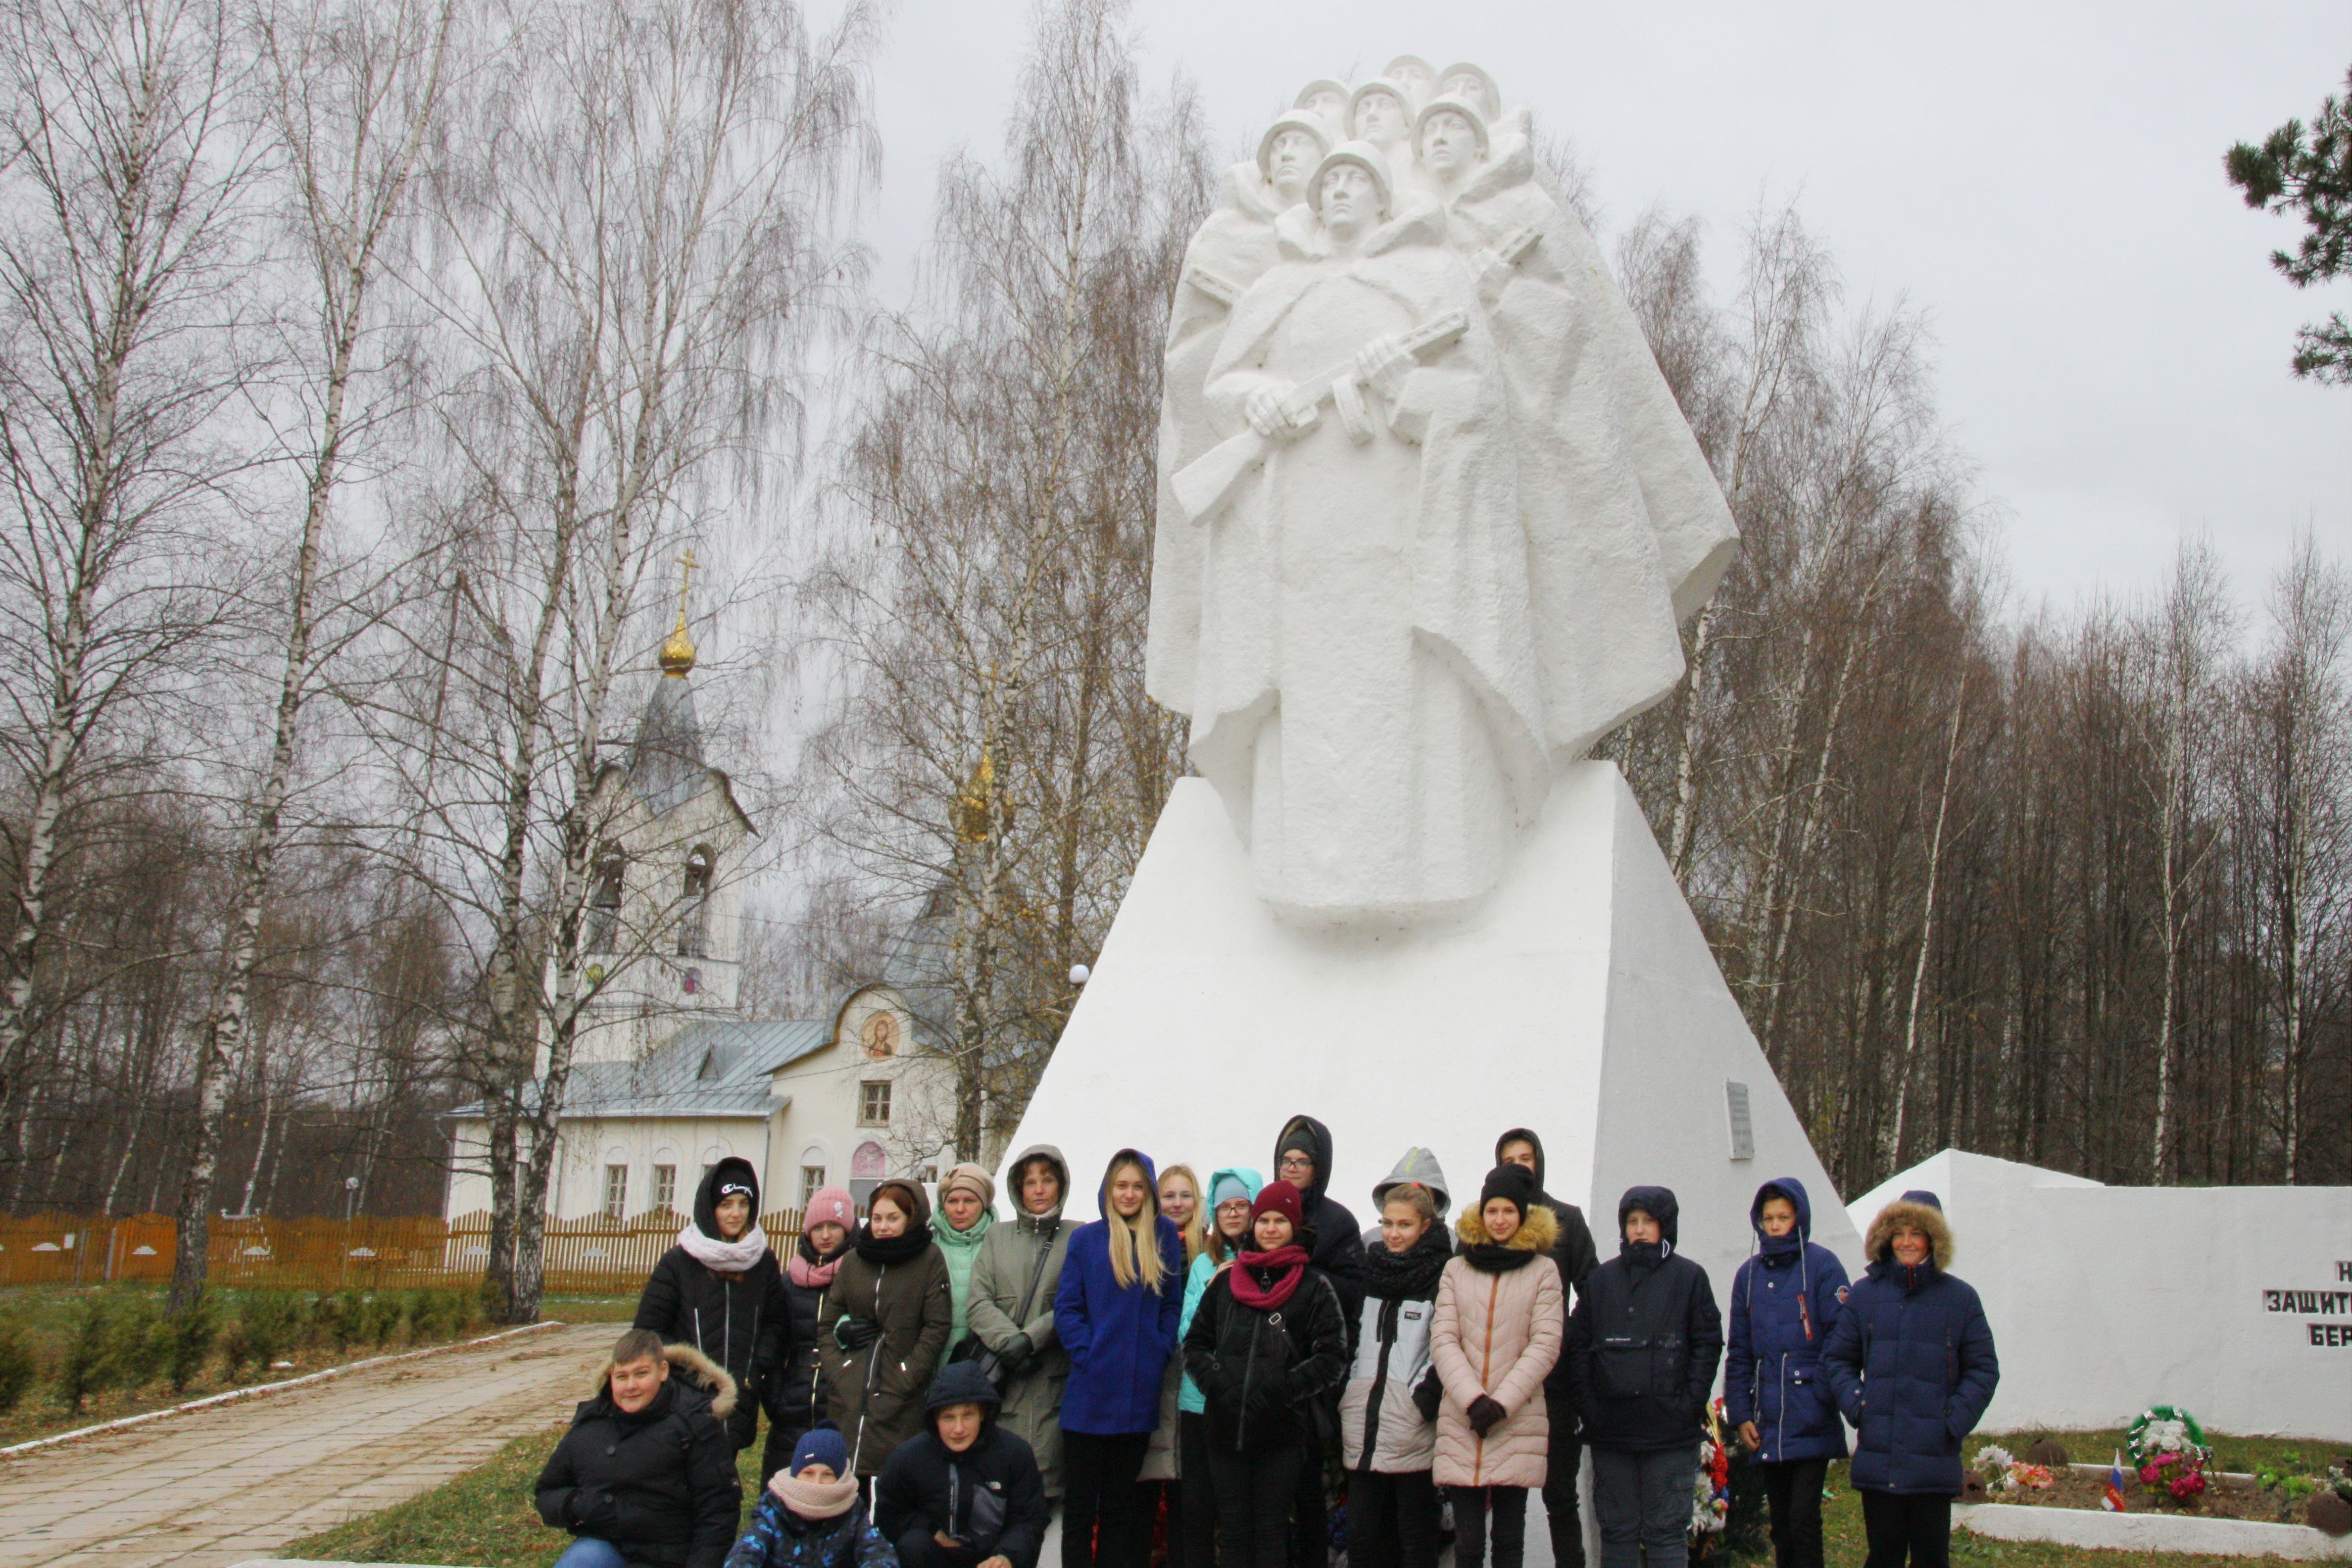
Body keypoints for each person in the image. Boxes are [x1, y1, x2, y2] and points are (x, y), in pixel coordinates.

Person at [1822, 1192, 1998, 1568]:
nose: (1906, 1242)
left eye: (1917, 1233)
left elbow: (1983, 1369)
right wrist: (1859, 1405)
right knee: (1883, 1557)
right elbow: (1838, 1358)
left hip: (1933, 1460)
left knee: (1931, 1559)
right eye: (1898, 1232)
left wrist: (1953, 1421)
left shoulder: (1961, 1299)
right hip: (1879, 1458)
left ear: (1933, 1239)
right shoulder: (1865, 1295)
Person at [1180, 1180, 1350, 1568]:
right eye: (1264, 1221)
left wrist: (1283, 1389)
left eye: (1280, 1221)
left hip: (1281, 1433)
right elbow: (1194, 1345)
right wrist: (1218, 1384)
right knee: (1235, 1534)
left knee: (1271, 1533)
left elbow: (1333, 1357)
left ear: (1295, 1227)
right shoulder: (1226, 1282)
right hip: (1225, 1430)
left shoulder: (1314, 1288)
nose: (1270, 1229)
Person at [1569, 1187, 1723, 1568]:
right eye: (1632, 1222)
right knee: (1618, 1533)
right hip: (1612, 1433)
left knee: (1666, 1533)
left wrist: (1688, 1404)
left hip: (1670, 1435)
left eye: (1648, 1222)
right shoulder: (1601, 1282)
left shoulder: (1690, 1278)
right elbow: (1578, 1347)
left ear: (1665, 1226)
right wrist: (1591, 1408)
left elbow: (1708, 1343)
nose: (1639, 1231)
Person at [1053, 1149, 1186, 1568]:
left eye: (1136, 1187)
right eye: (1121, 1186)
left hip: (1136, 1398)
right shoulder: (1087, 1239)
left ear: (1147, 1191)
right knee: (1080, 1511)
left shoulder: (1162, 1235)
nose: (1128, 1194)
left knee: (1120, 1509)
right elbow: (1067, 1307)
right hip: (1089, 1398)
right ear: (1109, 1190)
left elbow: (1171, 1304)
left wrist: (1157, 1350)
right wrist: (1087, 1352)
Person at [1431, 1165, 1564, 1568]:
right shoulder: (1457, 1268)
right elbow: (1444, 1339)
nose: (1500, 1220)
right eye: (1493, 1211)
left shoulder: (1544, 1271)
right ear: (1482, 1214)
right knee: (1469, 1544)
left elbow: (1545, 1343)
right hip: (1463, 1419)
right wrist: (1473, 1400)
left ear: (1522, 1215)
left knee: (1509, 1540)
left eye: (1509, 1211)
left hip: (1516, 1420)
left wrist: (1501, 1403)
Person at [538, 1328, 743, 1568]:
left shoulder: (696, 1424)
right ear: (611, 1376)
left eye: (641, 1374)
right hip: (606, 1546)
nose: (631, 1386)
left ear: (663, 1371)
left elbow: (719, 1512)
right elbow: (547, 1491)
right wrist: (578, 1505)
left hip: (671, 1554)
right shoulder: (591, 1424)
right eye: (622, 1377)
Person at [1725, 1179, 1850, 1568]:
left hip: (1811, 1414)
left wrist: (1821, 1393)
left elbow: (1842, 1339)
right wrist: (1741, 1412)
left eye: (1783, 1217)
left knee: (1803, 1520)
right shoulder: (1747, 1276)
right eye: (1768, 1218)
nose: (1776, 1225)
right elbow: (1740, 1351)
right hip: (1769, 1418)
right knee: (1781, 1523)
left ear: (1799, 1218)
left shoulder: (1823, 1266)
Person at [1495, 1129, 1601, 1568]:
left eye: (1527, 1157)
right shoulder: (1490, 1222)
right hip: (1502, 1384)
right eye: (1509, 1159)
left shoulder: (1568, 1220)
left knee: (1560, 1496)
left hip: (1555, 1385)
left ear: (1539, 1161)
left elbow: (1592, 1294)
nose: (1520, 1165)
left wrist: (1562, 1338)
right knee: (1509, 1503)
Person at [1341, 1151, 1453, 1568]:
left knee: (1416, 1538)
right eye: (1387, 1223)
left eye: (1404, 1225)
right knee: (1364, 1538)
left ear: (1426, 1226)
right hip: (1365, 1424)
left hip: (1412, 1429)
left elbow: (1446, 1347)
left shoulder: (1444, 1274)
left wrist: (1422, 1400)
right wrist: (1352, 1391)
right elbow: (1354, 1342)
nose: (1392, 1233)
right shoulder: (1370, 1271)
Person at [636, 1156, 791, 1453]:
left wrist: (756, 1368)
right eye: (726, 1205)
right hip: (686, 1400)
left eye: (743, 1204)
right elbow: (648, 1333)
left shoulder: (763, 1262)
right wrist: (687, 1375)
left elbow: (775, 1323)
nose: (736, 1214)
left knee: (723, 1481)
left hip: (740, 1398)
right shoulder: (679, 1263)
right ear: (710, 1209)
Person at [1270, 1116, 1365, 1567]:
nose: (1292, 1169)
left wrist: (1301, 1274)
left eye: (1302, 1161)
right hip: (1266, 1380)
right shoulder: (1264, 1214)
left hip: (1315, 1386)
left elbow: (1353, 1292)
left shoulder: (1338, 1222)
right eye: (1286, 1160)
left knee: (1312, 1498)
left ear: (1319, 1166)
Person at [821, 1177, 955, 1489]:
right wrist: (839, 1370)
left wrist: (907, 1375)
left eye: (893, 1219)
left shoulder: (929, 1260)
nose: (883, 1227)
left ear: (911, 1219)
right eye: (877, 1218)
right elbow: (827, 1324)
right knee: (849, 1490)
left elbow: (936, 1326)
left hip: (900, 1399)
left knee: (897, 1489)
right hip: (851, 1397)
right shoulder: (855, 1260)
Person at [966, 1146, 1073, 1501]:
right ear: (1018, 1188)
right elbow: (978, 1302)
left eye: (1047, 1180)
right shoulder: (997, 1238)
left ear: (1061, 1185)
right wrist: (1009, 1342)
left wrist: (1031, 1339)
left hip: (1054, 1387)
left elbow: (1078, 1301)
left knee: (1051, 1498)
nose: (1039, 1190)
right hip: (1006, 1389)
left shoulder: (1078, 1237)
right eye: (1030, 1182)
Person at [875, 1362, 1051, 1568]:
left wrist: (1007, 1557)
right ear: (935, 1418)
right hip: (937, 1556)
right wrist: (931, 1530)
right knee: (913, 1544)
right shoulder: (908, 1458)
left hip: (993, 1556)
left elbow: (1030, 1520)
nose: (959, 1429)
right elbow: (888, 1515)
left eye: (968, 1415)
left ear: (983, 1414)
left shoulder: (1015, 1453)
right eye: (949, 1417)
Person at [1175, 1167, 1262, 1568]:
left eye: (1240, 1205)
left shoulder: (1266, 1263)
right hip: (1198, 1403)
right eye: (1223, 1206)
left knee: (1237, 1513)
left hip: (1242, 1403)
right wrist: (1213, 1289)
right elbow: (1185, 1332)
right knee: (1196, 1508)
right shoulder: (1202, 1267)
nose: (1231, 1214)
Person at [765, 1186, 857, 1485]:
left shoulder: (860, 1277)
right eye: (818, 1227)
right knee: (785, 1486)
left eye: (834, 1226)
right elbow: (775, 1343)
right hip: (794, 1405)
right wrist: (777, 1398)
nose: (826, 1235)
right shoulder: (790, 1281)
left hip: (841, 1401)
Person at [1140, 1166, 1208, 1544]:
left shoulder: (1210, 1247)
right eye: (1169, 1195)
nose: (1177, 1203)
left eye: (1185, 1196)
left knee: (1189, 1495)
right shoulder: (1143, 1245)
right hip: (1157, 1370)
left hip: (1193, 1377)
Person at [723, 1426, 895, 1568]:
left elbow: (878, 1552)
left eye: (828, 1475)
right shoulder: (773, 1509)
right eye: (808, 1473)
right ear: (795, 1473)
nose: (817, 1482)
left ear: (841, 1477)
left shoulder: (853, 1512)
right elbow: (746, 1552)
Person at [933, 1165, 999, 1351]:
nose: (960, 1209)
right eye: (952, 1201)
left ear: (984, 1204)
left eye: (969, 1201)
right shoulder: (928, 1244)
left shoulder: (1000, 1245)